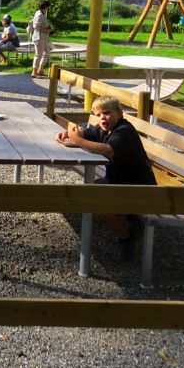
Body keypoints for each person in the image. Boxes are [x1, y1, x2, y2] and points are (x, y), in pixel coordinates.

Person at [55, 95, 156, 261]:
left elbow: (108, 150)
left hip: (140, 188)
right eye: (98, 115)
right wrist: (69, 134)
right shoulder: (104, 128)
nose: (102, 117)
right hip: (118, 181)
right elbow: (85, 133)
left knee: (97, 199)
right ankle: (128, 219)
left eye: (107, 113)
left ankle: (127, 236)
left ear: (120, 114)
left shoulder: (124, 130)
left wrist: (77, 140)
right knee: (89, 192)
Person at [31, 0, 52, 78]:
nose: (48, 8)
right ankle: (34, 72)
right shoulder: (39, 14)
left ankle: (40, 70)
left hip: (43, 37)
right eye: (48, 6)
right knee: (38, 54)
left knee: (47, 52)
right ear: (45, 6)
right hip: (39, 37)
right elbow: (36, 26)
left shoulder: (42, 13)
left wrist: (47, 29)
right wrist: (46, 30)